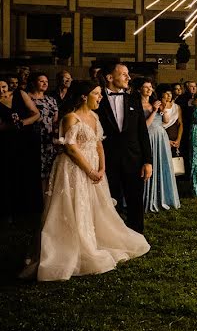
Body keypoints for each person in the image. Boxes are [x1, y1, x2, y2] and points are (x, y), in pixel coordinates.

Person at [22, 80, 150, 282]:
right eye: (97, 94)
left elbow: (99, 144)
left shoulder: (94, 116)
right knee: (73, 205)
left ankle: (94, 239)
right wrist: (90, 170)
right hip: (73, 169)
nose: (100, 98)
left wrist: (102, 168)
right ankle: (73, 246)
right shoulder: (71, 118)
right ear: (84, 96)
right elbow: (71, 149)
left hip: (94, 167)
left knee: (95, 206)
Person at [96, 63, 152, 233]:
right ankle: (114, 234)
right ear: (110, 78)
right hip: (108, 159)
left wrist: (148, 161)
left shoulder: (133, 98)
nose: (128, 78)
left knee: (135, 199)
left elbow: (142, 132)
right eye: (124, 74)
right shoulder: (98, 100)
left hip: (133, 158)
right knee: (112, 199)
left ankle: (137, 234)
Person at [135, 79, 180, 212]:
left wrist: (163, 109)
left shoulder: (154, 103)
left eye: (151, 87)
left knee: (162, 165)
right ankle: (147, 198)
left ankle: (162, 197)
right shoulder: (138, 105)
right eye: (146, 87)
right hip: (148, 137)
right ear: (139, 89)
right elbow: (143, 126)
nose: (149, 89)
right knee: (150, 165)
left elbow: (165, 121)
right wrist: (154, 111)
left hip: (161, 136)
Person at [0, 79, 41, 220]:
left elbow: (36, 113)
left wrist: (22, 123)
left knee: (27, 171)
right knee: (9, 174)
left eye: (4, 87)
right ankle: (10, 211)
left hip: (27, 139)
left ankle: (30, 210)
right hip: (6, 142)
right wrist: (11, 126)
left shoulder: (20, 94)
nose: (2, 91)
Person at [27, 73, 60, 209]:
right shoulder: (27, 98)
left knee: (48, 171)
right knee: (35, 171)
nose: (45, 83)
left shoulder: (51, 100)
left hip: (48, 139)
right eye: (41, 81)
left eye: (46, 81)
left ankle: (47, 202)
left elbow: (55, 120)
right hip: (33, 138)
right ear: (34, 83)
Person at [175, 81, 196, 182]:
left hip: (194, 127)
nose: (193, 88)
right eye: (191, 86)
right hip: (186, 127)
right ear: (186, 88)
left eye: (194, 86)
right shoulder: (182, 99)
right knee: (186, 150)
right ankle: (185, 172)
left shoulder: (196, 97)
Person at [159, 86, 183, 156]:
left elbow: (180, 124)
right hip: (162, 137)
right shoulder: (158, 106)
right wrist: (167, 141)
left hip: (175, 138)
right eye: (167, 93)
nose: (169, 95)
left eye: (170, 93)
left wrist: (178, 139)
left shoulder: (176, 107)